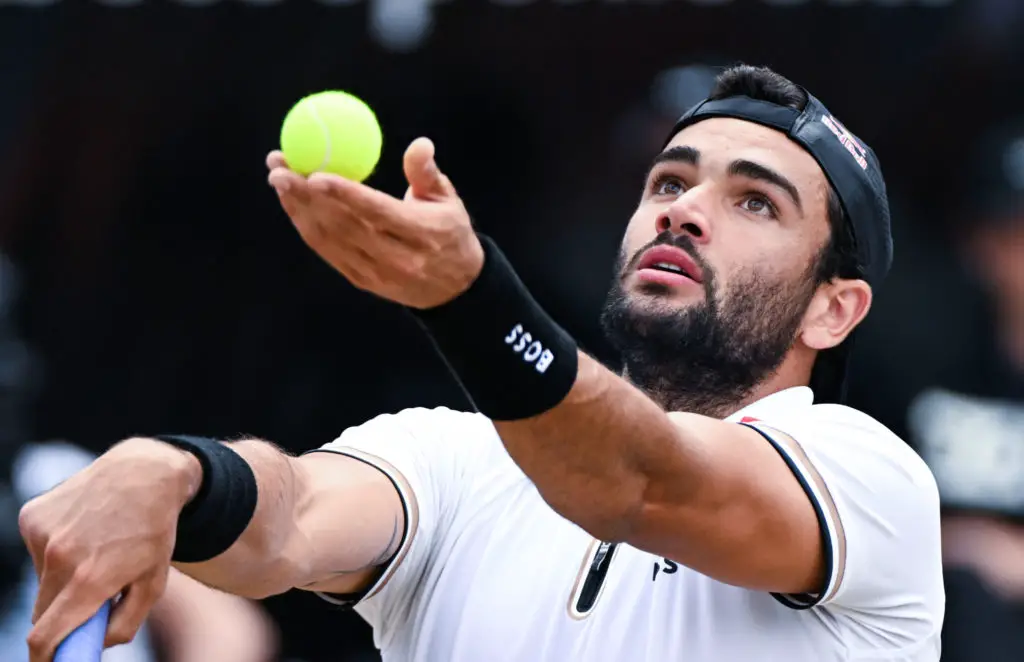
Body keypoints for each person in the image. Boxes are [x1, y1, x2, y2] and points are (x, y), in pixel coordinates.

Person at [18, 65, 943, 662]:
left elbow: (644, 483)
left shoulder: (869, 479)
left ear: (834, 309)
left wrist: (467, 298)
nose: (684, 209)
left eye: (755, 203)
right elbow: (288, 519)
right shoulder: (457, 458)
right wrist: (178, 477)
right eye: (670, 180)